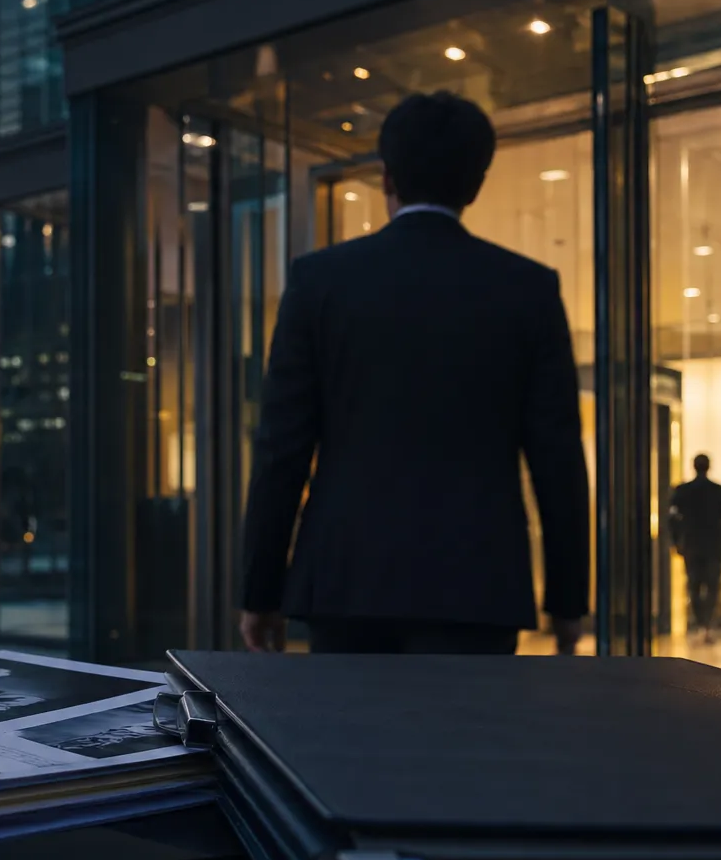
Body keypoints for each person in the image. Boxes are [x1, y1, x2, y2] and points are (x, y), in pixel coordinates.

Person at [238, 91, 591, 656]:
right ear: (476, 183)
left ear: (386, 178)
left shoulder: (319, 282)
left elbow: (282, 449)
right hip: (479, 584)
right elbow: (557, 456)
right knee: (466, 744)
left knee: (351, 744)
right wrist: (569, 600)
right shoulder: (527, 289)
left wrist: (260, 591)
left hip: (346, 579)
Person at [666, 454, 721, 643]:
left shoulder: (682, 491)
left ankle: (700, 623)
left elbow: (672, 519)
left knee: (694, 584)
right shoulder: (719, 491)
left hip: (691, 545)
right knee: (712, 586)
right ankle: (707, 624)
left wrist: (675, 542)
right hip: (714, 545)